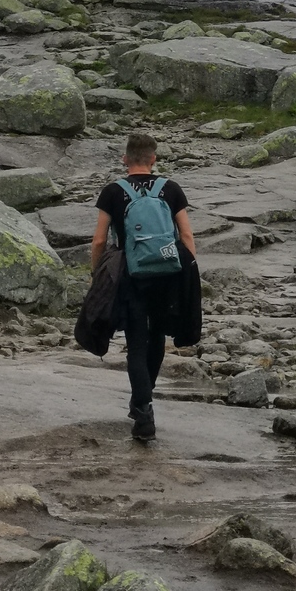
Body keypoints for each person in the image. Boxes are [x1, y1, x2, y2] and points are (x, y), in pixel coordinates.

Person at [91, 129, 199, 444]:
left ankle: (143, 411)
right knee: (157, 339)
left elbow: (99, 239)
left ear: (125, 159)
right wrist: (188, 274)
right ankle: (143, 399)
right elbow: (187, 236)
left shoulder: (113, 191)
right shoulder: (171, 189)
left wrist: (97, 272)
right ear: (153, 160)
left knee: (136, 343)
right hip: (168, 274)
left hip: (132, 275)